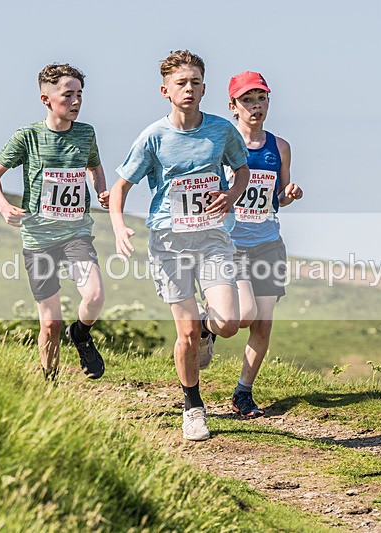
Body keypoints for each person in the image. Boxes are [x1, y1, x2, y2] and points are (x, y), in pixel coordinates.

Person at [110, 50, 250, 441]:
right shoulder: (154, 136)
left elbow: (242, 170)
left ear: (204, 87)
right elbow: (122, 185)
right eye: (180, 83)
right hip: (169, 241)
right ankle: (193, 407)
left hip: (212, 237)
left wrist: (233, 195)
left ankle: (208, 329)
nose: (188, 89)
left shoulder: (222, 131)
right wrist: (119, 225)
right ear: (165, 90)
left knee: (228, 324)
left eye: (195, 82)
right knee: (184, 331)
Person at [0, 63, 110, 381]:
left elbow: (95, 167)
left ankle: (80, 333)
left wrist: (102, 191)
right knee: (50, 323)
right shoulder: (28, 137)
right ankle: (49, 385)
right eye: (68, 95)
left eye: (80, 94)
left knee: (94, 295)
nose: (76, 102)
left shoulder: (86, 133)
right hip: (38, 239)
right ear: (46, 99)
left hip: (76, 233)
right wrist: (3, 207)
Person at [225, 71, 303, 417]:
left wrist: (289, 193)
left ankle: (243, 392)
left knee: (263, 323)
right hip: (231, 243)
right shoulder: (224, 144)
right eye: (247, 100)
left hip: (268, 241)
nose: (256, 107)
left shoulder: (280, 146)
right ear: (233, 106)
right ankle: (205, 322)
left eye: (261, 99)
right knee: (244, 315)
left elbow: (279, 197)